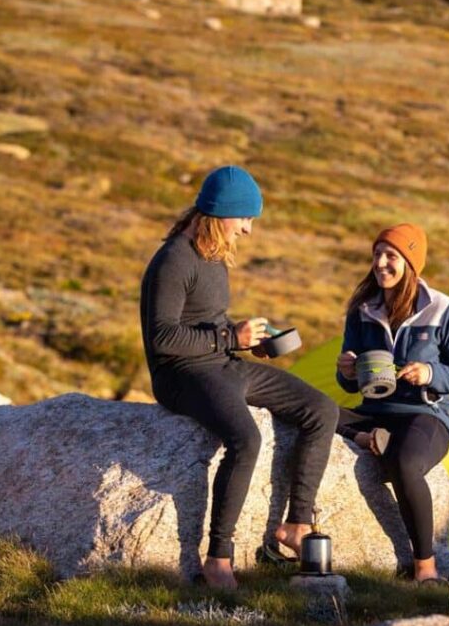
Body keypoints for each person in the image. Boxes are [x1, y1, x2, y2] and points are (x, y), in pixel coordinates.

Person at [140, 165, 338, 589]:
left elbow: (205, 322)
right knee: (246, 439)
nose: (247, 230)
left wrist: (249, 342)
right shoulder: (175, 259)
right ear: (219, 214)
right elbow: (162, 339)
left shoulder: (213, 256)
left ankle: (297, 526)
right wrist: (230, 335)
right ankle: (218, 557)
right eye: (244, 219)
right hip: (182, 376)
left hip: (222, 365)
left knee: (321, 409)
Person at [335, 223, 449, 583]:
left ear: (412, 263)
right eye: (376, 255)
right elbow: (347, 383)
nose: (381, 264)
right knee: (314, 409)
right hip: (374, 412)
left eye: (391, 256)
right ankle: (367, 439)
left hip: (424, 415)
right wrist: (347, 371)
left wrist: (430, 374)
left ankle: (425, 568)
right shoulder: (362, 311)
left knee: (404, 461)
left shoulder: (444, 310)